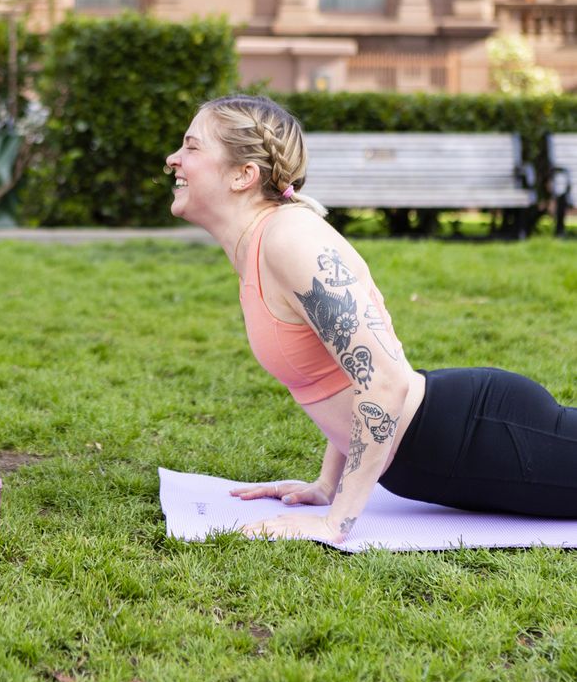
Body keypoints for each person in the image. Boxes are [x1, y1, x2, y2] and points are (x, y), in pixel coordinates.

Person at [165, 94, 577, 544]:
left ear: (244, 175)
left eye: (192, 146)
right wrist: (327, 486)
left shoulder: (290, 240)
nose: (174, 159)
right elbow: (340, 372)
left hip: (477, 436)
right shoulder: (260, 243)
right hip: (442, 447)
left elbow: (382, 380)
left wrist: (335, 522)